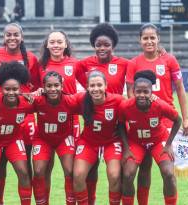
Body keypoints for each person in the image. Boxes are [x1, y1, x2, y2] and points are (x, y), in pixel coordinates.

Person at [126, 23, 188, 205]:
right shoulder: (133, 63)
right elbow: (131, 94)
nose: (149, 41)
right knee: (144, 169)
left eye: (152, 37)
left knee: (168, 171)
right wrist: (138, 116)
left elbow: (180, 88)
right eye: (145, 38)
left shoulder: (169, 60)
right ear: (140, 40)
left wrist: (186, 118)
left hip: (166, 123)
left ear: (158, 39)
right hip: (142, 123)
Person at [0, 22, 40, 204]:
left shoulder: (30, 58)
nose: (12, 38)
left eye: (16, 35)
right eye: (9, 35)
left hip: (21, 117)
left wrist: (32, 95)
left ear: (22, 37)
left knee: (24, 168)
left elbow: (36, 85)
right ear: (3, 37)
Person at [75, 22, 129, 204]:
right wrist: (89, 89)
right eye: (98, 44)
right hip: (91, 131)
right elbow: (68, 72)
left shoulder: (124, 63)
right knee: (84, 174)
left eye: (106, 44)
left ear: (113, 45)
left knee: (115, 175)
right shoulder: (85, 64)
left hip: (113, 127)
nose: (102, 48)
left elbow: (139, 68)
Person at [119, 70, 182, 205]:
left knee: (169, 174)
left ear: (151, 92)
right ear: (133, 92)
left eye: (145, 92)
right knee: (128, 175)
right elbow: (120, 125)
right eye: (138, 92)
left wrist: (168, 144)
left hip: (158, 141)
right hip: (136, 142)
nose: (142, 95)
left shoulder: (159, 105)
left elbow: (178, 120)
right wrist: (125, 148)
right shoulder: (126, 106)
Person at [0, 61, 33, 205]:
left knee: (23, 172)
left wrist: (36, 93)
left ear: (20, 89)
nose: (11, 92)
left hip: (13, 140)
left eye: (15, 89)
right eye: (7, 89)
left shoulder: (27, 103)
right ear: (1, 89)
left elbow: (44, 102)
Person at [73, 71, 124, 205]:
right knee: (78, 175)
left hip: (111, 142)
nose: (96, 89)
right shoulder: (80, 99)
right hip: (88, 142)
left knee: (114, 175)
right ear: (87, 87)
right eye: (92, 85)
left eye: (99, 85)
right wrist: (40, 92)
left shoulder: (118, 100)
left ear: (106, 85)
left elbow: (134, 108)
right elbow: (61, 99)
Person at [32, 71, 78, 205]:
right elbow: (20, 104)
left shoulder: (70, 100)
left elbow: (88, 107)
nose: (53, 89)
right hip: (43, 139)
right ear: (43, 87)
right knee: (39, 171)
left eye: (56, 85)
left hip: (63, 139)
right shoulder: (38, 100)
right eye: (49, 86)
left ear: (62, 86)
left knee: (70, 171)